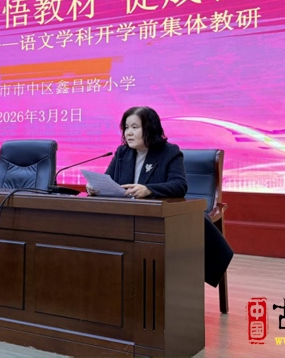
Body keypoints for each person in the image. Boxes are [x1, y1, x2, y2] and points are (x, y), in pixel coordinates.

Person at [88, 106, 233, 287]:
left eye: (134, 127)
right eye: (126, 127)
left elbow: (179, 185)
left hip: (157, 219)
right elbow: (109, 180)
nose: (128, 133)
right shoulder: (122, 153)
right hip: (127, 217)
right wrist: (96, 187)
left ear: (149, 128)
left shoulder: (169, 152)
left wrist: (149, 190)